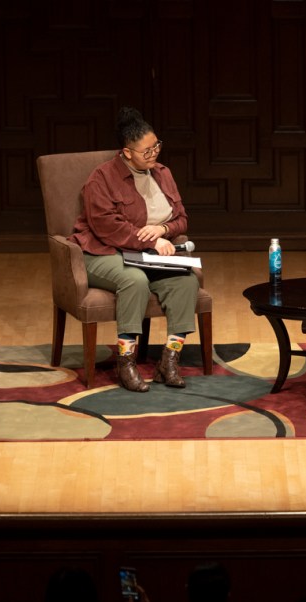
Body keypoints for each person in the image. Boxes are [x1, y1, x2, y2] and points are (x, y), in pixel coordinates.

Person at [69, 106, 199, 392]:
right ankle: (125, 361)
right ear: (127, 152)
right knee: (134, 280)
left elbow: (181, 218)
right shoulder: (101, 179)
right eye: (146, 151)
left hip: (148, 254)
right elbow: (106, 227)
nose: (154, 155)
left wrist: (163, 230)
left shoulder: (163, 173)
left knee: (185, 281)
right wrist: (151, 240)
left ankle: (170, 359)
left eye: (156, 147)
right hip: (103, 253)